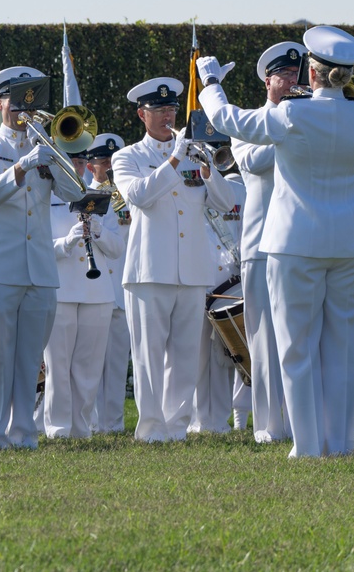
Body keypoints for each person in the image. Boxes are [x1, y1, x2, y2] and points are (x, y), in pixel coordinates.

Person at [198, 25, 354, 457]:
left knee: (296, 346)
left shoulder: (292, 114)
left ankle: (309, 446)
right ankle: (340, 443)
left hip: (297, 243)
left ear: (312, 73)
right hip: (353, 244)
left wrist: (212, 83)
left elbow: (226, 119)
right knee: (344, 347)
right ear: (346, 75)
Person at [0, 66, 85, 450]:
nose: (21, 111)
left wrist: (52, 156)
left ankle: (23, 433)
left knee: (30, 359)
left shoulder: (45, 146)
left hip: (39, 269)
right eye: (14, 103)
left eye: (29, 103)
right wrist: (22, 165)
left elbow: (73, 193)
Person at [111, 77, 235, 443]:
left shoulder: (196, 155)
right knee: (149, 356)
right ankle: (151, 430)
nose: (168, 116)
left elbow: (227, 204)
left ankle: (176, 428)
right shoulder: (128, 156)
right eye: (159, 110)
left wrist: (210, 168)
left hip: (192, 270)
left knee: (185, 356)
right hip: (149, 270)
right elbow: (139, 196)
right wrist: (176, 156)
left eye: (171, 109)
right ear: (141, 114)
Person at [220, 40, 307, 443]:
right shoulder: (249, 120)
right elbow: (252, 162)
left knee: (299, 334)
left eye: (296, 75)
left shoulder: (307, 118)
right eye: (283, 76)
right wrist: (289, 132)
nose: (291, 82)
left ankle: (300, 420)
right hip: (259, 244)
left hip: (298, 241)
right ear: (267, 81)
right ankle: (270, 425)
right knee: (263, 339)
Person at [42, 150, 123, 439]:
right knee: (59, 366)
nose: (76, 167)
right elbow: (35, 245)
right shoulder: (46, 195)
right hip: (61, 289)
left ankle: (81, 430)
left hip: (97, 290)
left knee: (88, 369)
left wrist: (98, 230)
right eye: (70, 161)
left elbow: (117, 249)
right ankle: (58, 429)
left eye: (79, 162)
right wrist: (67, 241)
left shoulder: (98, 197)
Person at [189, 172, 245, 433]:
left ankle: (219, 420)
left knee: (226, 357)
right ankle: (196, 420)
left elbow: (246, 228)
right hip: (196, 277)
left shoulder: (237, 190)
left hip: (230, 282)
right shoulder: (186, 187)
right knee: (195, 355)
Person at [86, 133, 132, 434]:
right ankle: (88, 426)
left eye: (114, 164)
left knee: (116, 367)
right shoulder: (81, 197)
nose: (111, 170)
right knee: (87, 368)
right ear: (91, 167)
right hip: (94, 289)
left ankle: (113, 427)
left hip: (123, 291)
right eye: (105, 164)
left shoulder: (128, 195)